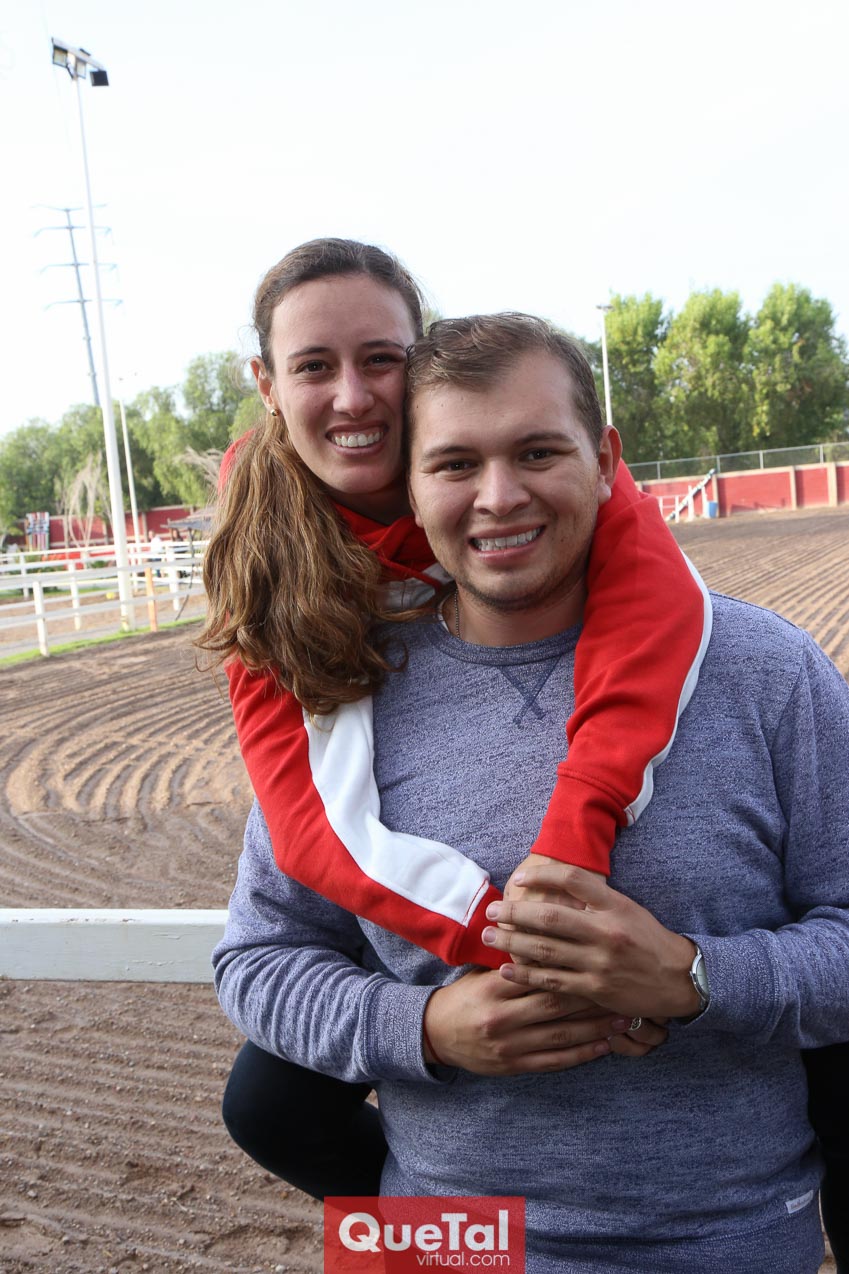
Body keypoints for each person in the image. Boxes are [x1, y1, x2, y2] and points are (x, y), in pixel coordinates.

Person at [214, 315, 849, 1273]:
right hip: (436, 1244)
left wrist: (694, 980)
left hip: (723, 1241)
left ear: (605, 460)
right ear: (409, 486)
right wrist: (423, 1029)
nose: (498, 496)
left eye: (538, 452)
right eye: (454, 464)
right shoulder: (339, 692)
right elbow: (258, 964)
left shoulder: (768, 671)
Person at [198, 237, 708, 1194]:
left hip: (706, 1203)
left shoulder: (550, 478)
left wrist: (576, 868)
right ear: (265, 384)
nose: (353, 397)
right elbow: (306, 843)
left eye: (380, 359)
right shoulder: (269, 566)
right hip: (453, 1116)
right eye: (313, 367)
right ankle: (417, 1243)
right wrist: (460, 997)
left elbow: (653, 620)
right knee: (266, 1107)